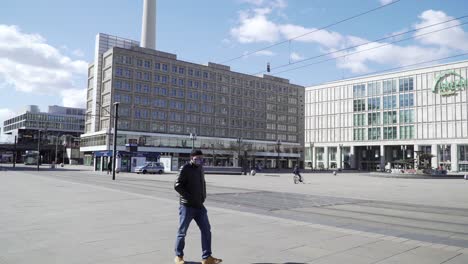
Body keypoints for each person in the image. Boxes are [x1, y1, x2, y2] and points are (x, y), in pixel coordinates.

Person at [174, 149, 222, 264]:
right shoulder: (185, 168)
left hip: (199, 206)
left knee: (206, 230)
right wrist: (190, 198)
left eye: (201, 159)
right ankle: (178, 256)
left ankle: (207, 257)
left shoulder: (200, 168)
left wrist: (202, 197)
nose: (199, 161)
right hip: (187, 206)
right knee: (182, 232)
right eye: (197, 159)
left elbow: (203, 183)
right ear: (191, 158)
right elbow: (177, 185)